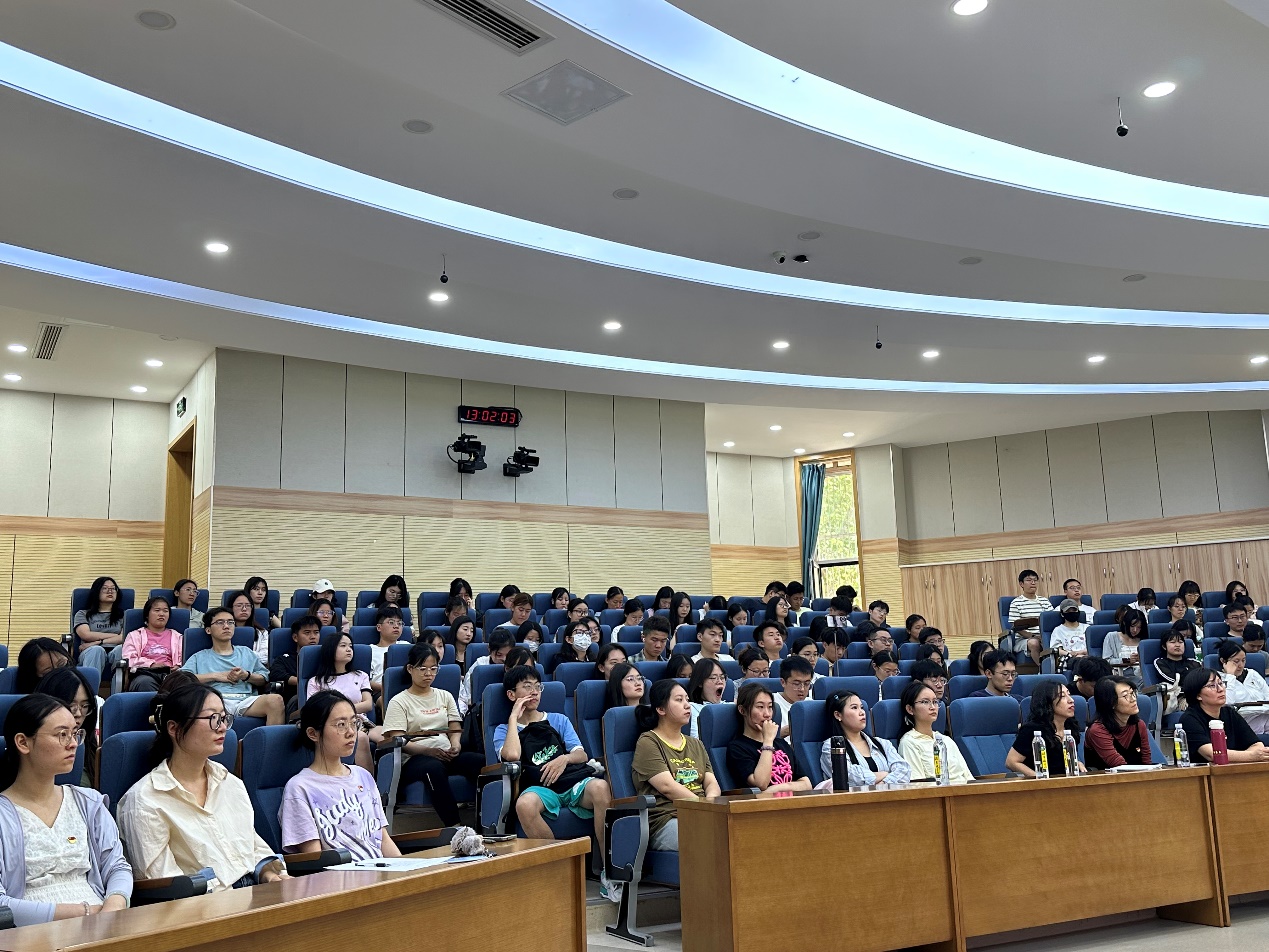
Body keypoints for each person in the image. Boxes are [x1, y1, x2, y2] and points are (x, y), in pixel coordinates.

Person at [118, 680, 286, 890]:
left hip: (255, 892)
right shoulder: (145, 800)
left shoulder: (230, 783)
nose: (222, 727)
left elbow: (250, 844)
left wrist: (269, 874)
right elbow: (164, 883)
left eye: (224, 718)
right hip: (204, 903)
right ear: (174, 728)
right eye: (212, 718)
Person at [0, 694, 131, 925]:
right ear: (23, 743)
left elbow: (117, 866)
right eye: (62, 734)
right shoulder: (3, 815)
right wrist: (84, 913)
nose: (72, 744)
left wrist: (113, 906)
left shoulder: (89, 803)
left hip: (102, 922)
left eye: (75, 733)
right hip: (29, 931)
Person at [494, 666, 617, 900]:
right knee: (524, 805)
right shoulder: (503, 729)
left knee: (601, 788)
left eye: (537, 686)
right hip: (540, 787)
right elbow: (511, 755)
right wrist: (513, 718)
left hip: (572, 782)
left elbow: (581, 754)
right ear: (511, 694)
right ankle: (559, 869)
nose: (534, 692)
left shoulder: (558, 719)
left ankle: (608, 870)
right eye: (526, 687)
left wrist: (564, 759)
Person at [280, 690, 398, 861]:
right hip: (340, 875)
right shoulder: (300, 788)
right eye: (341, 725)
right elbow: (314, 859)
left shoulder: (363, 776)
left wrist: (407, 872)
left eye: (354, 723)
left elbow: (383, 839)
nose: (351, 732)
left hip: (382, 872)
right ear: (313, 733)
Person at [380, 643, 484, 826]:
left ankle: (485, 822)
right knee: (433, 767)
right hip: (414, 758)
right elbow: (397, 740)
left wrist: (456, 745)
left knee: (480, 762)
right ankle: (455, 827)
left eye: (433, 669)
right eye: (423, 669)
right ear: (410, 669)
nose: (428, 673)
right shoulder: (399, 701)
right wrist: (429, 751)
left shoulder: (445, 696)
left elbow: (454, 728)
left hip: (445, 753)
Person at [630, 680, 720, 851]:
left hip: (702, 812)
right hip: (667, 819)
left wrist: (710, 805)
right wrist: (704, 807)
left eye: (687, 699)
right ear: (661, 709)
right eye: (679, 700)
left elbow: (711, 783)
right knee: (712, 836)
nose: (687, 705)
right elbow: (667, 787)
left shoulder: (696, 744)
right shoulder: (648, 742)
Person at [182, 608, 285, 725]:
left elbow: (264, 678)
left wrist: (246, 676)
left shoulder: (246, 652)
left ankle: (270, 738)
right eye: (220, 622)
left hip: (245, 699)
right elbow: (182, 678)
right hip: (214, 700)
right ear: (208, 630)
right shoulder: (199, 656)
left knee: (275, 701)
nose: (226, 626)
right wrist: (216, 676)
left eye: (230, 622)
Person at [304, 631, 373, 770]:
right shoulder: (316, 681)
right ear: (331, 650)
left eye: (350, 646)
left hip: (362, 722)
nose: (349, 649)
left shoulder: (361, 676)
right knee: (361, 738)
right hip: (334, 725)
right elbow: (315, 710)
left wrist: (340, 710)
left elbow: (368, 704)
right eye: (343, 646)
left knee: (388, 737)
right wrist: (343, 713)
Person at [728, 682, 813, 793]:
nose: (767, 714)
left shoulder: (781, 744)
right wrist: (768, 741)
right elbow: (761, 783)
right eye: (760, 707)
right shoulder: (737, 748)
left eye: (770, 707)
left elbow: (806, 784)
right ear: (742, 710)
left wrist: (775, 789)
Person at [819, 690, 910, 787]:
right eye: (854, 708)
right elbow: (847, 777)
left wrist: (883, 784)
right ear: (838, 715)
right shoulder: (832, 747)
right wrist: (885, 775)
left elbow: (904, 770)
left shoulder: (882, 743)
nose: (862, 712)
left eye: (862, 707)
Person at [1178, 668, 1269, 764]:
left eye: (1221, 683)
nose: (1220, 689)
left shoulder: (1230, 713)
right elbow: (1212, 754)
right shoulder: (1189, 719)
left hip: (1232, 770)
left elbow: (1257, 745)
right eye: (1212, 686)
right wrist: (1251, 756)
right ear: (1198, 695)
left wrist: (1246, 758)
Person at [34, 667, 99, 787]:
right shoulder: (34, 747)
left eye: (85, 706)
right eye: (71, 706)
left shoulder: (91, 747)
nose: (78, 713)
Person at [1006, 681, 1085, 777]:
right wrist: (1039, 778)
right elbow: (1011, 762)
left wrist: (1077, 763)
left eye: (1069, 694)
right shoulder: (1032, 730)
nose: (1071, 700)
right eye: (1062, 696)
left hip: (1066, 782)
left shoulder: (1071, 727)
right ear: (1048, 702)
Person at [898, 682, 972, 783]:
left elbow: (969, 777)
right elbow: (918, 785)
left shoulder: (946, 740)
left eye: (935, 701)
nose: (933, 707)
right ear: (910, 709)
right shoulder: (909, 742)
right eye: (925, 702)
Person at [1084, 677, 1152, 770]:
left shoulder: (1139, 725)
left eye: (1132, 693)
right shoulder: (1097, 730)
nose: (1133, 699)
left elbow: (1147, 762)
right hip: (1108, 778)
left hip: (1138, 777)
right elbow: (1119, 766)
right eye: (1125, 696)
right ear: (1111, 702)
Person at [121, 595, 184, 693]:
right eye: (157, 610)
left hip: (170, 674)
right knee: (145, 683)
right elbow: (129, 659)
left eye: (165, 611)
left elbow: (183, 658)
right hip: (144, 673)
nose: (161, 614)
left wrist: (178, 666)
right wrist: (151, 664)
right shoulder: (135, 635)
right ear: (147, 614)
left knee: (183, 684)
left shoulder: (178, 637)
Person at [270, 613, 322, 721]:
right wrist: (300, 681)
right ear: (295, 637)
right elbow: (275, 674)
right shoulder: (284, 659)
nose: (313, 637)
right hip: (296, 700)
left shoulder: (326, 658)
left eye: (316, 632)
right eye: (307, 633)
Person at [74, 576, 125, 679]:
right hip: (90, 651)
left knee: (121, 649)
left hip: (113, 650)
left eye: (113, 588)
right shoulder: (83, 614)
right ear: (96, 592)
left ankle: (118, 689)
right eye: (105, 588)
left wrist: (98, 642)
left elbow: (124, 637)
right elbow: (86, 635)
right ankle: (90, 689)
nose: (110, 591)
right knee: (97, 650)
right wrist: (115, 636)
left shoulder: (123, 615)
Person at [457, 630, 516, 716]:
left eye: (508, 655)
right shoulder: (480, 665)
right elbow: (467, 695)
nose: (504, 659)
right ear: (489, 649)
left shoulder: (517, 663)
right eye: (499, 655)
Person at [1217, 640, 1269, 733]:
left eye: (1243, 660)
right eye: (1236, 661)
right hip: (1242, 722)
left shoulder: (1252, 673)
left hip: (1265, 717)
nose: (1240, 665)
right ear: (1223, 661)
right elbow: (1227, 703)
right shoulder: (1218, 679)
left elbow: (1267, 695)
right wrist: (1230, 676)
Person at [1154, 625, 1201, 715]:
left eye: (1180, 642)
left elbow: (1203, 679)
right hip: (1179, 698)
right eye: (1172, 642)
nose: (1177, 645)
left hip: (1199, 695)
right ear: (1164, 646)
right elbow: (1173, 679)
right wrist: (1191, 678)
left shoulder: (1194, 662)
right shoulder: (1160, 662)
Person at [1005, 569, 1047, 666]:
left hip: (1044, 636)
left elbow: (1051, 621)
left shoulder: (1044, 601)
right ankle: (1043, 669)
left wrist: (1044, 637)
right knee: (1034, 643)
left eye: (1035, 580)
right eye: (1029, 580)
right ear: (1021, 584)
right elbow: (1016, 627)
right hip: (1024, 639)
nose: (1033, 583)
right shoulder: (1016, 603)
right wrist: (1034, 636)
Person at [772, 654, 814, 738]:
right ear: (783, 682)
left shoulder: (811, 705)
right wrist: (782, 733)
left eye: (807, 684)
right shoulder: (770, 703)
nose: (802, 689)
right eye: (796, 684)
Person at [369, 606, 406, 698]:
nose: (396, 626)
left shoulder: (406, 646)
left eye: (399, 623)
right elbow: (364, 680)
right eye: (391, 622)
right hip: (380, 692)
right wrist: (387, 688)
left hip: (407, 690)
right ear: (379, 627)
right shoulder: (370, 650)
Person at [686, 659, 727, 737]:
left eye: (722, 677)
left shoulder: (730, 707)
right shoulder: (692, 708)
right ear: (700, 682)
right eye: (713, 678)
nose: (720, 681)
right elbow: (698, 740)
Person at [227, 590, 270, 662]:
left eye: (248, 605)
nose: (244, 609)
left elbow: (265, 657)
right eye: (239, 605)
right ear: (230, 608)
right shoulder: (224, 630)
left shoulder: (262, 632)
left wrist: (239, 655)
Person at [1103, 608, 1146, 678]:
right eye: (1132, 626)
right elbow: (1106, 661)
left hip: (1141, 674)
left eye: (1139, 627)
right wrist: (1126, 660)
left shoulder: (1143, 640)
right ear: (1125, 623)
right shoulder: (1112, 636)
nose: (1135, 630)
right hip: (1121, 676)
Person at [1050, 598, 1089, 668]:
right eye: (1068, 611)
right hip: (1068, 658)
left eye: (1074, 610)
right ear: (1062, 614)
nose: (1072, 613)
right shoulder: (1058, 630)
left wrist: (1081, 652)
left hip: (1088, 657)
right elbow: (1056, 650)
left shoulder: (1087, 628)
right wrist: (1069, 654)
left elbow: (1093, 647)